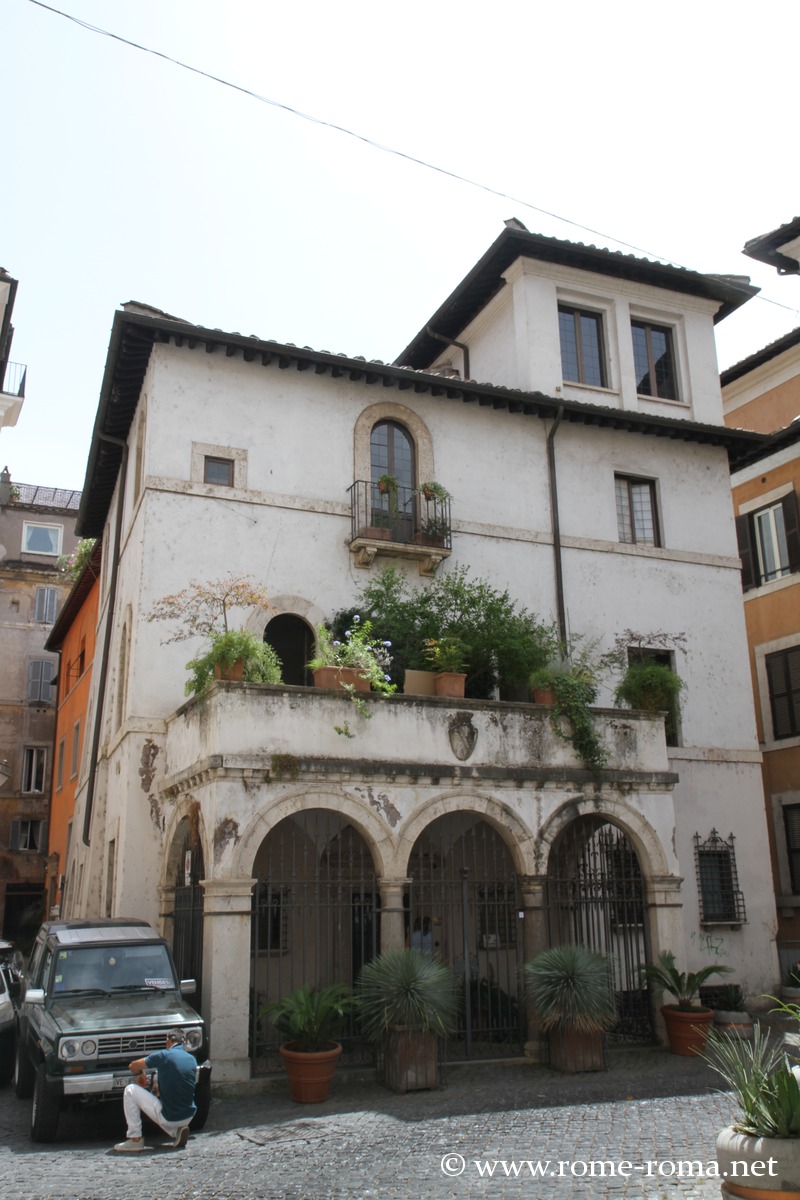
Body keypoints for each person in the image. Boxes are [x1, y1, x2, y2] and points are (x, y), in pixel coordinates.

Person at [113, 1029, 197, 1153]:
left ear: (168, 1041)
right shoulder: (191, 1059)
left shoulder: (164, 1055)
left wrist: (140, 1074)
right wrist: (159, 1088)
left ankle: (135, 1139)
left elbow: (133, 1065)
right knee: (171, 1103)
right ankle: (176, 1131)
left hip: (171, 1117)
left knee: (130, 1090)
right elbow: (178, 1081)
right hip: (189, 1115)